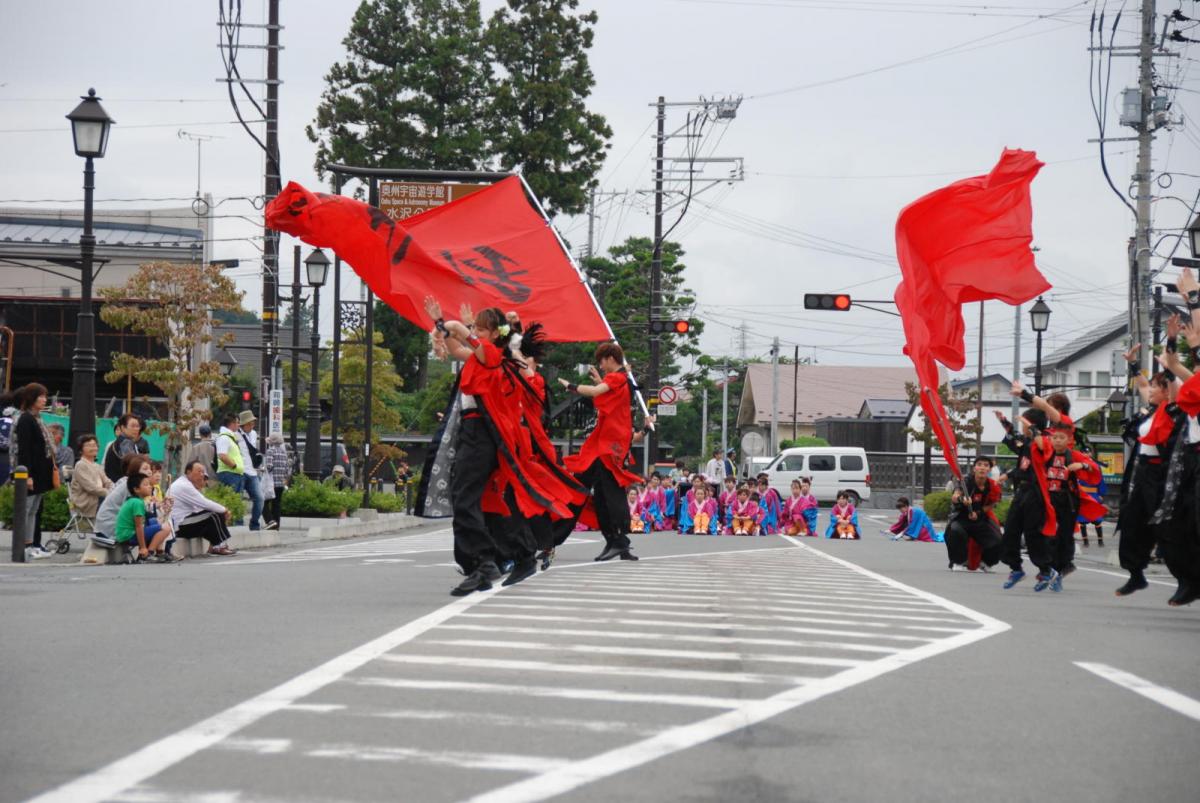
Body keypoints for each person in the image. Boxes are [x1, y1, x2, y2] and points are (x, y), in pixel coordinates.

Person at [427, 299, 565, 594]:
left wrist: (451, 326)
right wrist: (441, 327)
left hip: (480, 433)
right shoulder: (483, 356)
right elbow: (455, 346)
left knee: (464, 498)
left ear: (492, 333)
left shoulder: (492, 354)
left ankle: (484, 561)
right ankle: (522, 555)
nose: (473, 330)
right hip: (481, 434)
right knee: (491, 502)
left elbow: (463, 337)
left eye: (479, 327)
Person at [554, 340, 651, 563]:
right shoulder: (618, 380)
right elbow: (603, 396)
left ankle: (616, 540)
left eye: (602, 360)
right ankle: (617, 543)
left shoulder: (617, 378)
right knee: (600, 493)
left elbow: (598, 392)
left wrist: (571, 386)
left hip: (608, 446)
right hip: (607, 444)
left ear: (610, 359)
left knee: (595, 491)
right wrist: (600, 381)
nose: (601, 364)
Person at [995, 407, 1046, 589]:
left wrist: (1008, 475)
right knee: (1010, 529)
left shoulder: (1043, 444)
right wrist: (1004, 422)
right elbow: (1014, 437)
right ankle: (1016, 567)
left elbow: (1032, 467)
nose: (1022, 427)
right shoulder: (1026, 443)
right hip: (1022, 492)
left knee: (1032, 533)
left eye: (1025, 423)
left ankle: (1046, 570)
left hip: (1035, 493)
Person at [11, 383, 56, 559]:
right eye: (41, 396)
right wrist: (26, 475)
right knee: (27, 509)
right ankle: (24, 545)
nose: (45, 399)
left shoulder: (36, 418)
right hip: (30, 472)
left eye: (45, 396)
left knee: (33, 510)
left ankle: (31, 544)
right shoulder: (25, 420)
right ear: (31, 398)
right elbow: (24, 450)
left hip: (39, 472)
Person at [944, 457, 1003, 571]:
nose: (982, 467)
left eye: (986, 465)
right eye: (979, 464)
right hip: (961, 518)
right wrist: (962, 499)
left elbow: (991, 505)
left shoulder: (993, 486)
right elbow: (955, 497)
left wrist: (978, 512)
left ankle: (985, 563)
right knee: (955, 531)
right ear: (974, 468)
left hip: (980, 519)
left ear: (990, 469)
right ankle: (958, 561)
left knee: (998, 540)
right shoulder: (965, 482)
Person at [168, 460, 236, 556]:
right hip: (179, 525)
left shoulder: (188, 484)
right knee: (213, 514)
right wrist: (225, 510)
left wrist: (222, 511)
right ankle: (219, 546)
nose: (202, 475)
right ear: (188, 472)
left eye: (203, 472)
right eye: (199, 471)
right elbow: (204, 503)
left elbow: (200, 508)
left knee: (214, 514)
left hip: (186, 521)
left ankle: (215, 546)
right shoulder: (183, 485)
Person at [92, 455, 153, 546]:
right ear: (135, 471)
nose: (149, 471)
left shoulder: (134, 483)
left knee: (153, 522)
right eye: (145, 469)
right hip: (107, 529)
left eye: (150, 468)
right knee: (156, 527)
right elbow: (136, 516)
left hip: (109, 526)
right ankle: (148, 552)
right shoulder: (130, 486)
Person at [115, 473, 176, 562]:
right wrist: (143, 548)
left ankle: (158, 552)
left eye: (149, 484)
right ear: (136, 489)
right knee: (166, 528)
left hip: (127, 534)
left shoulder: (136, 501)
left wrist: (163, 505)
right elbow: (139, 526)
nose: (150, 487)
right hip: (128, 535)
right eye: (146, 485)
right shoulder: (137, 503)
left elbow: (147, 519)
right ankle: (147, 554)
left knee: (156, 522)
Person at [68, 434, 111, 520]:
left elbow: (107, 481)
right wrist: (109, 493)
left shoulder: (96, 465)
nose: (93, 448)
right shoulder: (80, 465)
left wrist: (114, 489)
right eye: (89, 446)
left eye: (95, 445)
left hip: (97, 498)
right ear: (81, 449)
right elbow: (91, 488)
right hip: (86, 502)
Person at [236, 410, 265, 531]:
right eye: (250, 423)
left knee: (259, 498)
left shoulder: (253, 434)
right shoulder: (235, 434)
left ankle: (254, 523)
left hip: (252, 471)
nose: (252, 426)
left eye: (253, 423)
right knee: (238, 498)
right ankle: (238, 524)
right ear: (243, 424)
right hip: (240, 471)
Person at [103, 413, 147, 482]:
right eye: (133, 426)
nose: (136, 429)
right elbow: (134, 464)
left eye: (138, 426)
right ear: (123, 427)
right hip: (120, 484)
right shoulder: (125, 442)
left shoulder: (123, 441)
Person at [262, 433, 290, 529]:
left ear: (271, 442)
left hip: (271, 483)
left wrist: (263, 469)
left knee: (263, 502)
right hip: (280, 484)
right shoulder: (283, 452)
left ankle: (270, 521)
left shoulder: (270, 451)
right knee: (276, 505)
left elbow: (269, 467)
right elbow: (287, 469)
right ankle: (276, 526)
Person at [214, 413, 245, 492]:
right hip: (229, 474)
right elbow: (222, 456)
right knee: (231, 500)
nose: (239, 425)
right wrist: (234, 466)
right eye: (237, 422)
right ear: (232, 423)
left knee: (236, 501)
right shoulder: (224, 437)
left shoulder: (230, 437)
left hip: (234, 474)